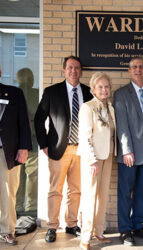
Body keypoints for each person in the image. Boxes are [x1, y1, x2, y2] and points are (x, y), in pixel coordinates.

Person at [34, 56, 93, 243]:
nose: (74, 71)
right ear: (64, 70)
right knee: (55, 190)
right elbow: (38, 119)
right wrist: (43, 144)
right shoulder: (52, 92)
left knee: (76, 190)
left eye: (77, 68)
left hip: (81, 149)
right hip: (58, 149)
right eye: (70, 67)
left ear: (81, 71)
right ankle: (52, 226)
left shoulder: (88, 92)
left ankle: (72, 224)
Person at [114, 57, 143, 246]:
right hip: (129, 153)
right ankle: (125, 230)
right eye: (134, 67)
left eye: (141, 67)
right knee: (126, 191)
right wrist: (126, 150)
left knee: (142, 191)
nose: (138, 69)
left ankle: (137, 225)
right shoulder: (121, 94)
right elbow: (122, 125)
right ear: (129, 71)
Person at [78, 72, 116, 250]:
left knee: (103, 196)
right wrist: (92, 160)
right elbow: (85, 137)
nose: (104, 89)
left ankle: (98, 232)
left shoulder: (110, 107)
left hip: (107, 156)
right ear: (93, 89)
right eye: (100, 87)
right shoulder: (87, 107)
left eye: (106, 86)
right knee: (90, 197)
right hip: (92, 159)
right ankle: (85, 236)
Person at [0, 65, 32, 245]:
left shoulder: (14, 94)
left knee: (7, 193)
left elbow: (24, 123)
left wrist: (23, 147)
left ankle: (7, 230)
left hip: (6, 152)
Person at [15, 68, 39, 214]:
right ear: (31, 79)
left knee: (17, 176)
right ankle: (31, 207)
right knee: (33, 175)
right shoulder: (36, 94)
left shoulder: (13, 93)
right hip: (33, 139)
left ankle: (16, 207)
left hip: (15, 141)